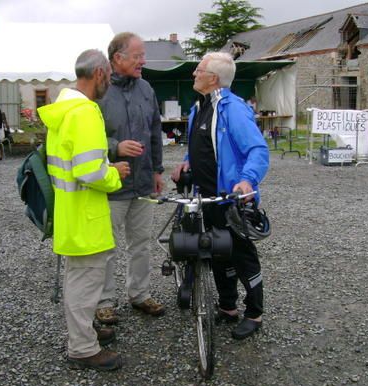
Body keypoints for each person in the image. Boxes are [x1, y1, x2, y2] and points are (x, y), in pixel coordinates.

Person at [37, 49, 130, 371]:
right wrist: (114, 175)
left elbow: (77, 162)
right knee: (85, 283)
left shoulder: (64, 110)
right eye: (110, 77)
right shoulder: (86, 112)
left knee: (80, 279)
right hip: (87, 217)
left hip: (70, 213)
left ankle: (86, 333)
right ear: (101, 74)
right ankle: (83, 348)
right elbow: (89, 172)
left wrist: (105, 166)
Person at [171, 52, 269, 340]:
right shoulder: (198, 108)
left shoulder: (233, 109)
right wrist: (187, 162)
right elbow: (200, 146)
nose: (194, 74)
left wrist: (247, 181)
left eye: (198, 70)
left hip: (231, 200)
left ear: (213, 78)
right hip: (205, 199)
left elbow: (258, 150)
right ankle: (228, 307)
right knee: (216, 255)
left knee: (242, 256)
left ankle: (255, 313)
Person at [95, 32, 165, 324]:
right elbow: (87, 137)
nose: (143, 61)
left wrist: (158, 170)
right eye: (137, 56)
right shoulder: (98, 91)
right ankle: (103, 301)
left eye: (143, 55)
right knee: (106, 246)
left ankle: (139, 294)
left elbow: (154, 131)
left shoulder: (146, 89)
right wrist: (115, 148)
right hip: (112, 183)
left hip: (143, 181)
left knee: (141, 243)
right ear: (117, 58)